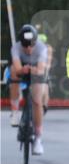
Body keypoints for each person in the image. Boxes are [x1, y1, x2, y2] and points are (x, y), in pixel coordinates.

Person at [10, 24, 49, 155]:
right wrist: (22, 70)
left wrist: (34, 70)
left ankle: (38, 138)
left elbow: (41, 69)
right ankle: (15, 111)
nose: (28, 48)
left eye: (31, 45)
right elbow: (17, 66)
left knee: (37, 102)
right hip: (22, 70)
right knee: (13, 71)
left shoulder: (41, 48)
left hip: (37, 72)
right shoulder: (16, 47)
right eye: (25, 45)